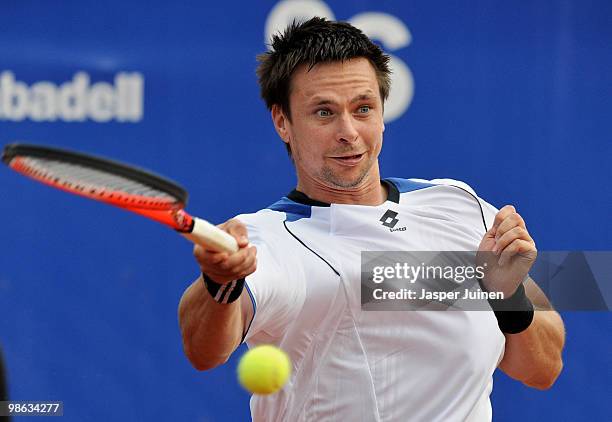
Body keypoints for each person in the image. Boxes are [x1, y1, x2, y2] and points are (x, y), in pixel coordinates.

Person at [178, 17, 565, 421]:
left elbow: (542, 369)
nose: (349, 131)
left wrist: (505, 293)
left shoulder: (461, 205)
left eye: (363, 108)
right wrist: (220, 284)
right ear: (282, 122)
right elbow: (204, 350)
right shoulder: (268, 239)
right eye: (324, 113)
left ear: (382, 112)